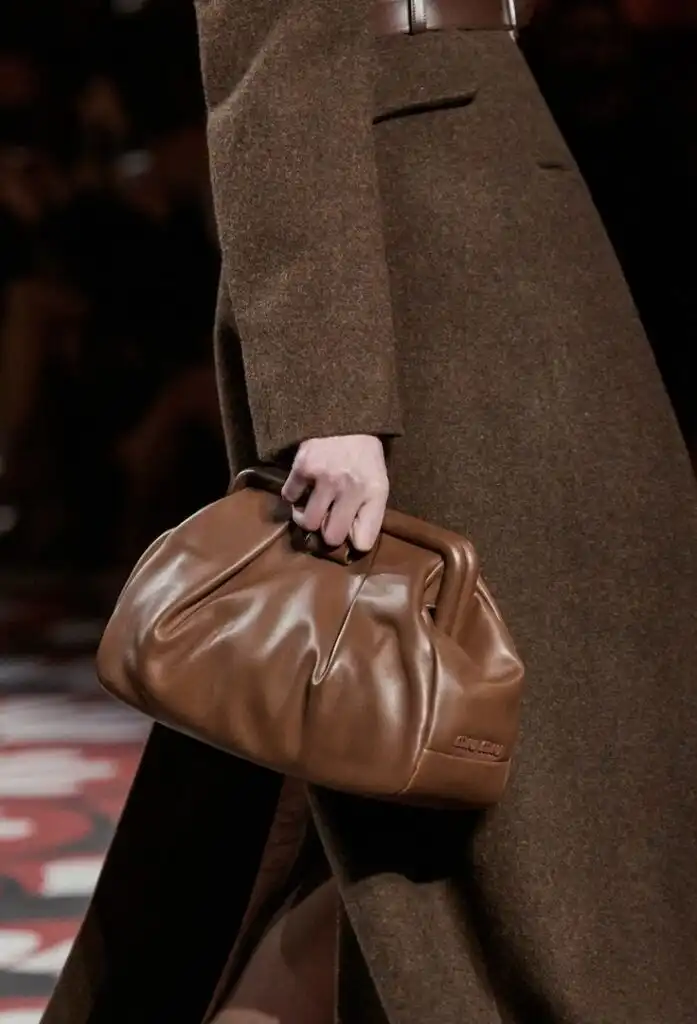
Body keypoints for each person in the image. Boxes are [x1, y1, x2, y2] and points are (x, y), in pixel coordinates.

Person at [41, 2, 697, 1023]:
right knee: (427, 740)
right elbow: (273, 33)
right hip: (410, 220)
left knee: (430, 761)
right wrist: (329, 393)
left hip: (489, 162)